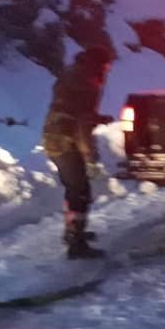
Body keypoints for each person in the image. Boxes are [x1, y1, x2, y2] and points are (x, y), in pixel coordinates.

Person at [42, 46, 114, 259]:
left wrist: (97, 118)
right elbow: (81, 124)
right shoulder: (88, 84)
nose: (108, 71)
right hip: (67, 142)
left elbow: (72, 110)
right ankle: (76, 243)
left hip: (53, 137)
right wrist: (90, 158)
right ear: (98, 64)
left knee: (73, 188)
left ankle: (72, 231)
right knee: (81, 191)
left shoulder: (73, 74)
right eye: (107, 66)